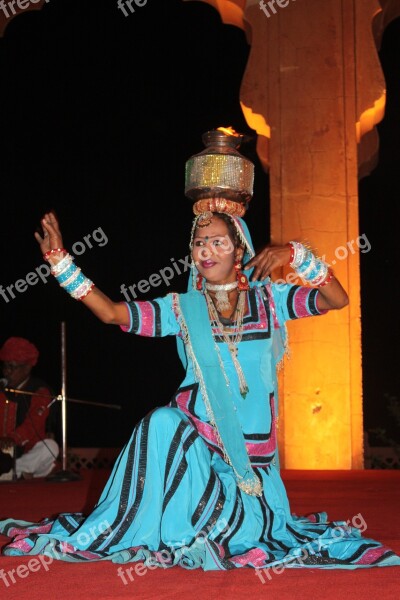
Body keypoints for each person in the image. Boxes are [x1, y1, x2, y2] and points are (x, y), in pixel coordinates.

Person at [0, 129, 399, 570]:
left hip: (250, 471)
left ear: (240, 248)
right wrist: (61, 263)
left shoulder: (272, 300)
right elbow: (113, 313)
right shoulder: (182, 308)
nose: (205, 251)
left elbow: (337, 299)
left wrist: (298, 255)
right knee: (161, 422)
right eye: (198, 242)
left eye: (217, 242)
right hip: (197, 454)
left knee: (239, 537)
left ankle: (211, 522)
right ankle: (130, 523)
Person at [0, 337, 60, 480]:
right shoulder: (2, 388)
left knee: (50, 447)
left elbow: (33, 424)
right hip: (1, 451)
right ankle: (19, 472)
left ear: (26, 368)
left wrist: (13, 438)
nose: (6, 372)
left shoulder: (39, 390)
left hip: (26, 452)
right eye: (5, 366)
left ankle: (14, 470)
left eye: (11, 367)